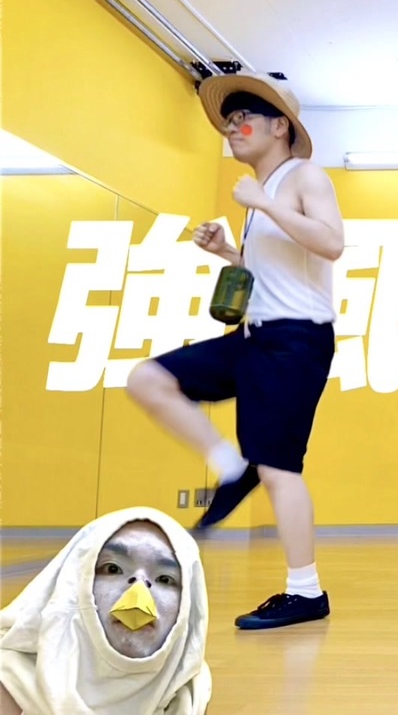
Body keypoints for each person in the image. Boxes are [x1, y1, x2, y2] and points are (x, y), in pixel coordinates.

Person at [125, 71, 340, 630]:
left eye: (244, 117)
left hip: (297, 341)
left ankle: (306, 592)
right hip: (254, 336)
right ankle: (230, 465)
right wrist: (228, 252)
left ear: (280, 126)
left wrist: (264, 204)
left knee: (280, 468)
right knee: (147, 378)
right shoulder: (259, 197)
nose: (232, 128)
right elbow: (275, 271)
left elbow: (332, 243)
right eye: (230, 121)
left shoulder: (304, 176)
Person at [0, 507, 212, 714]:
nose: (138, 590)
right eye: (112, 569)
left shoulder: (190, 691)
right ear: (76, 584)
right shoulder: (11, 683)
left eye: (165, 579)